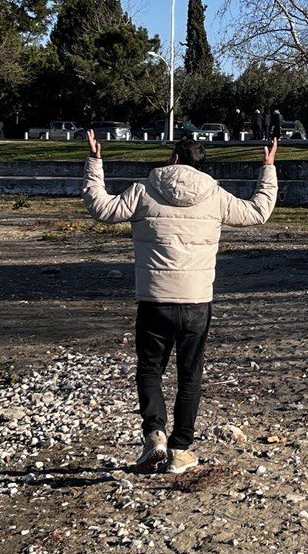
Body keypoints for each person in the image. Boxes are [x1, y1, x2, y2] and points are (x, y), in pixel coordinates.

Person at [81, 135, 279, 474]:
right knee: (190, 376)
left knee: (149, 369)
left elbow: (100, 206)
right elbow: (259, 211)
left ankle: (154, 435)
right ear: (201, 165)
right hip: (196, 301)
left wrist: (95, 163)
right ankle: (180, 450)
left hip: (154, 299)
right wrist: (268, 168)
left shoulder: (144, 190)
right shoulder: (214, 195)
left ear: (173, 158)